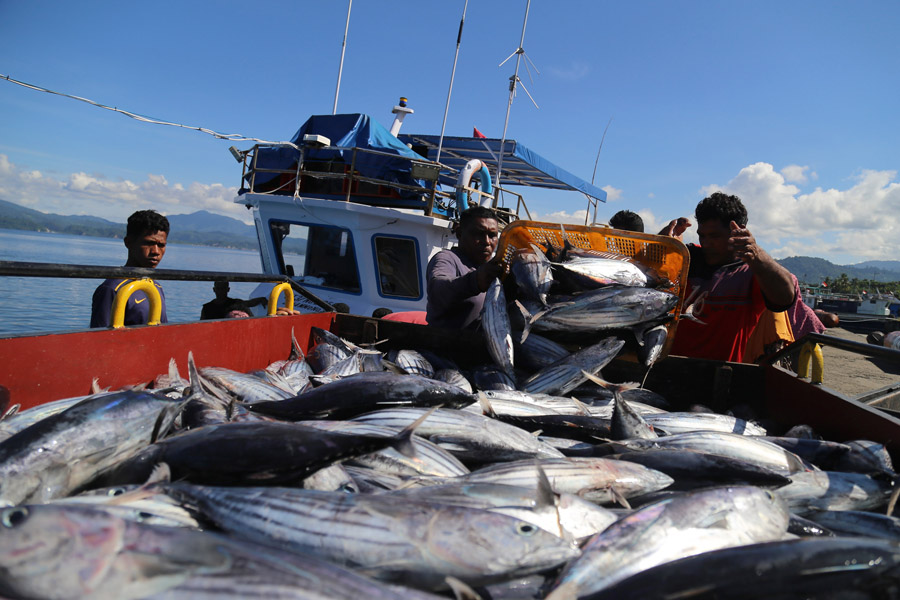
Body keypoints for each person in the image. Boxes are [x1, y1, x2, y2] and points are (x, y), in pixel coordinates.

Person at [666, 192, 796, 362]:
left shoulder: (752, 271)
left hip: (723, 376)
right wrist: (664, 243)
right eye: (702, 235)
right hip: (669, 369)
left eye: (714, 236)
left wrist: (756, 253)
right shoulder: (686, 259)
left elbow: (785, 298)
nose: (706, 242)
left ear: (738, 230)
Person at [425, 206, 506, 329]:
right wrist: (475, 281)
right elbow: (438, 289)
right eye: (479, 234)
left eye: (492, 235)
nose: (487, 241)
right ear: (459, 233)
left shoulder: (493, 268)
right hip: (446, 345)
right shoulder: (447, 258)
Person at [90, 210, 170, 328]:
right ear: (128, 242)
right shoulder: (111, 289)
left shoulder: (156, 287)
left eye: (161, 245)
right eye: (149, 243)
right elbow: (99, 339)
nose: (156, 251)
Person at [200, 281, 266, 320]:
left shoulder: (236, 303)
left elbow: (250, 303)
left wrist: (261, 299)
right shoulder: (207, 308)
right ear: (214, 289)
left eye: (223, 288)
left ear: (228, 289)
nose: (220, 291)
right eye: (218, 288)